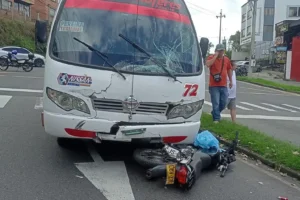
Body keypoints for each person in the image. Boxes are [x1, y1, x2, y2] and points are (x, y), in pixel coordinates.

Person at [206, 44, 233, 123]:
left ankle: (215, 112)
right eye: (219, 51)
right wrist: (215, 56)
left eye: (222, 51)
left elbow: (229, 70)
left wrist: (231, 81)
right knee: (216, 102)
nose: (221, 52)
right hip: (214, 85)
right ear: (216, 51)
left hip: (223, 85)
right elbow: (208, 64)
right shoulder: (211, 57)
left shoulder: (226, 59)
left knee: (224, 102)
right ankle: (216, 119)